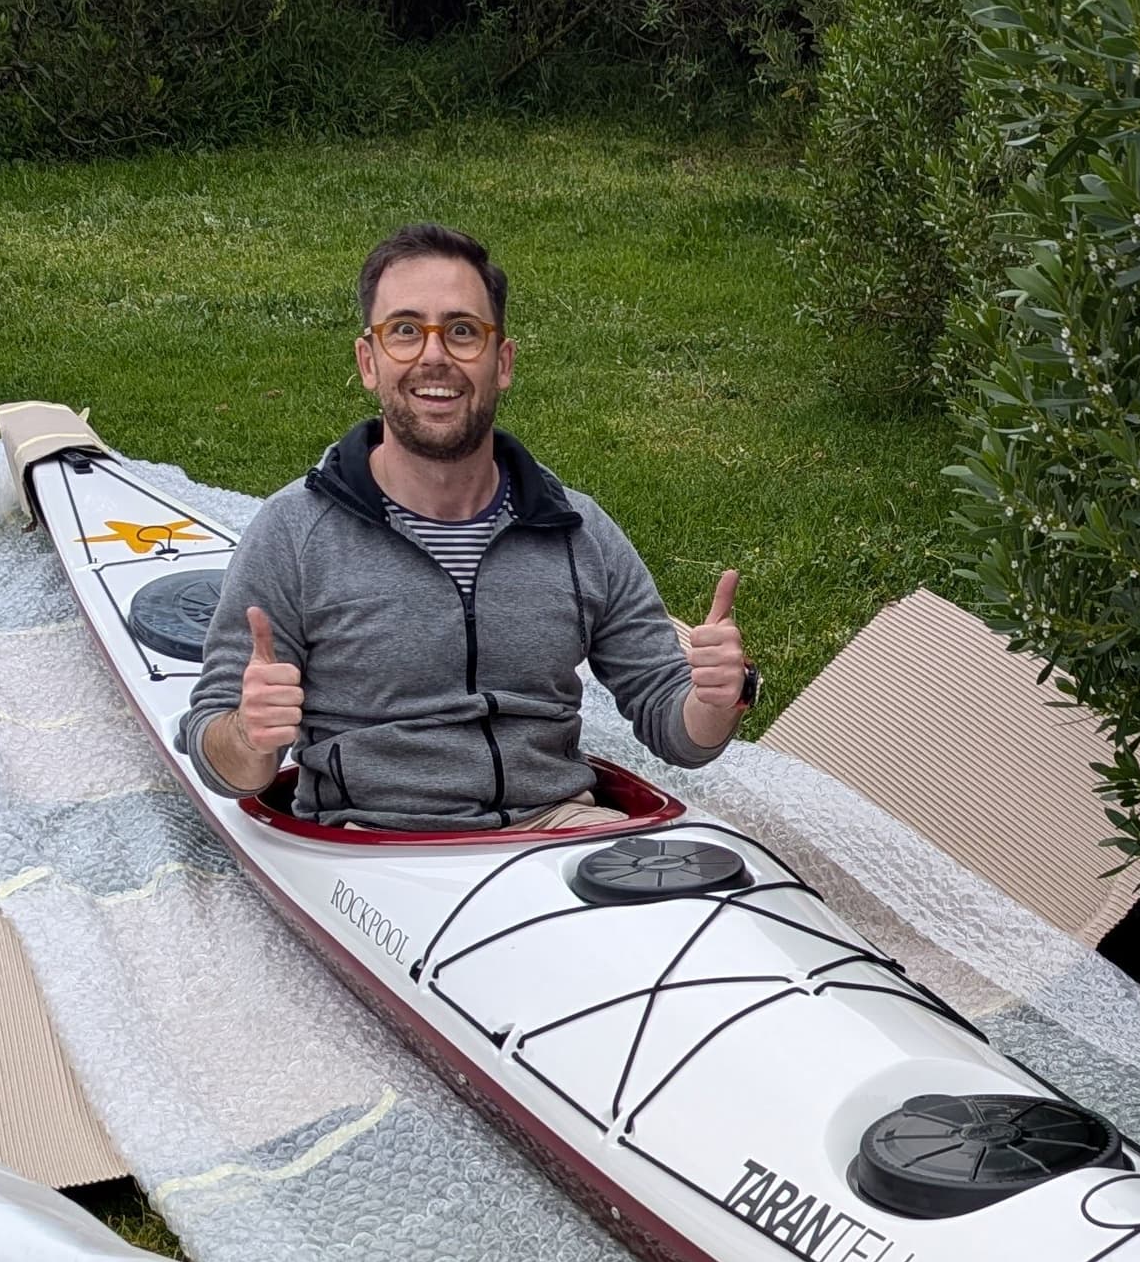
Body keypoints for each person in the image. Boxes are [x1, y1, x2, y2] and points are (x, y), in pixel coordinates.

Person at [182, 222, 758, 830]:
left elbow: (679, 731)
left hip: (553, 831)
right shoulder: (293, 532)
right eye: (405, 331)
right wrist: (249, 735)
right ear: (368, 361)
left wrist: (717, 699)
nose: (434, 355)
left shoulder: (577, 530)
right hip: (372, 849)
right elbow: (223, 761)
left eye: (462, 331)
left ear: (501, 361)